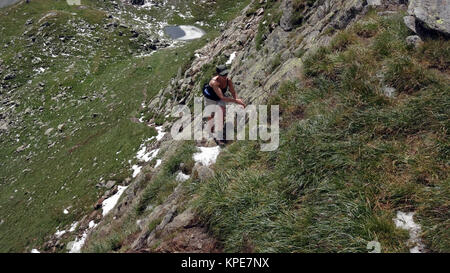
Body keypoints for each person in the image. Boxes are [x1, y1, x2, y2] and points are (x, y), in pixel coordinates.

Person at [203, 64, 246, 145]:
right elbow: (222, 97)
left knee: (221, 113)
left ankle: (219, 137)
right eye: (223, 75)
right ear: (218, 75)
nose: (225, 76)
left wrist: (237, 99)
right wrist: (237, 101)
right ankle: (211, 130)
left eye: (226, 73)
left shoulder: (228, 80)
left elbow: (233, 92)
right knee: (211, 116)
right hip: (210, 98)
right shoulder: (214, 82)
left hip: (219, 98)